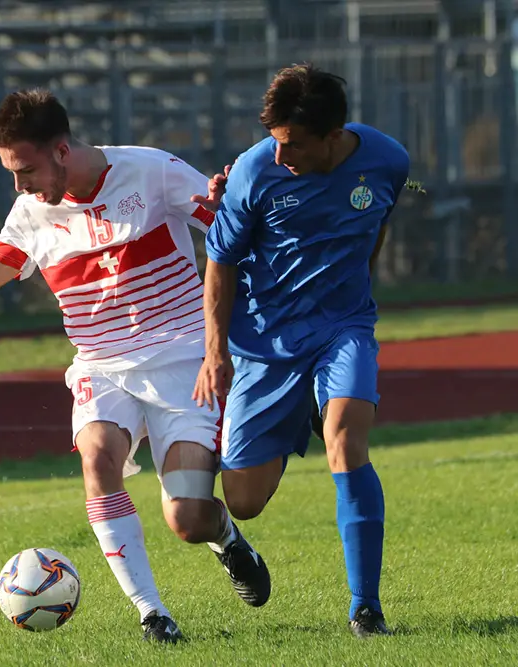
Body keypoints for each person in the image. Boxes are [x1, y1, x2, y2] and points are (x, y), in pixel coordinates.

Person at [0, 89, 271, 643]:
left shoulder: (153, 171)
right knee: (96, 460)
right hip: (101, 367)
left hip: (183, 363)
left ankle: (225, 537)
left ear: (62, 150)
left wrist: (232, 201)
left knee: (186, 518)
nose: (19, 186)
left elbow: (232, 231)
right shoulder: (31, 214)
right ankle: (152, 614)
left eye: (25, 169)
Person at [192, 64, 409, 638]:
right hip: (266, 345)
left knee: (346, 441)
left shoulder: (388, 161)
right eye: (276, 140)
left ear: (333, 135)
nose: (280, 153)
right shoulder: (254, 172)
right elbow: (221, 261)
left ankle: (366, 608)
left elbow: (376, 223)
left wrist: (354, 287)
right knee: (242, 502)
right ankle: (299, 417)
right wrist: (216, 352)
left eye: (293, 144)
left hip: (344, 326)